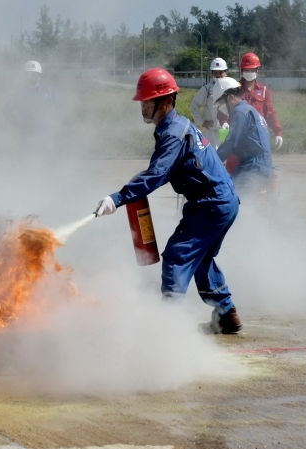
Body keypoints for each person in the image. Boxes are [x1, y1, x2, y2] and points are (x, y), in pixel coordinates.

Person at [93, 68, 243, 334]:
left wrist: (116, 199)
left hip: (210, 204)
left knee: (177, 255)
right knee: (202, 258)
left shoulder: (173, 133)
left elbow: (156, 175)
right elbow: (161, 171)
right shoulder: (177, 125)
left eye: (148, 101)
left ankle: (166, 327)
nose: (143, 107)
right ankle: (227, 314)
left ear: (166, 101)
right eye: (142, 101)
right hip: (222, 200)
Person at [215, 78, 275, 195]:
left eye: (220, 103)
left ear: (231, 98)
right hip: (254, 164)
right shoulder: (247, 109)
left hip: (254, 167)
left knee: (237, 199)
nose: (219, 107)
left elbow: (231, 142)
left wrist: (212, 160)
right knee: (231, 190)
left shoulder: (240, 112)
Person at [3, 60, 59, 144]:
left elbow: (61, 106)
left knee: (46, 152)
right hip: (26, 136)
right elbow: (6, 110)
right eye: (30, 74)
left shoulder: (48, 92)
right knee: (26, 152)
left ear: (40, 76)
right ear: (25, 75)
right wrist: (17, 124)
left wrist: (53, 120)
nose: (33, 77)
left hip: (45, 136)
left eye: (36, 74)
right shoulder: (19, 94)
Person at [237, 52, 284, 150]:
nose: (249, 72)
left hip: (259, 137)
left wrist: (278, 132)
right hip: (239, 139)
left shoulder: (264, 91)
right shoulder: (234, 90)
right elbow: (225, 112)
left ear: (257, 70)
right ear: (242, 70)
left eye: (252, 70)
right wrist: (223, 124)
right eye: (247, 70)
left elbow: (270, 113)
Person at [190, 57, 231, 147]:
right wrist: (201, 122)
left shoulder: (231, 88)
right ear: (211, 73)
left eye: (221, 72)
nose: (218, 75)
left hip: (228, 129)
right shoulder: (206, 89)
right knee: (212, 154)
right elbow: (194, 105)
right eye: (215, 72)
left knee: (228, 154)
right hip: (212, 132)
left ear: (226, 72)